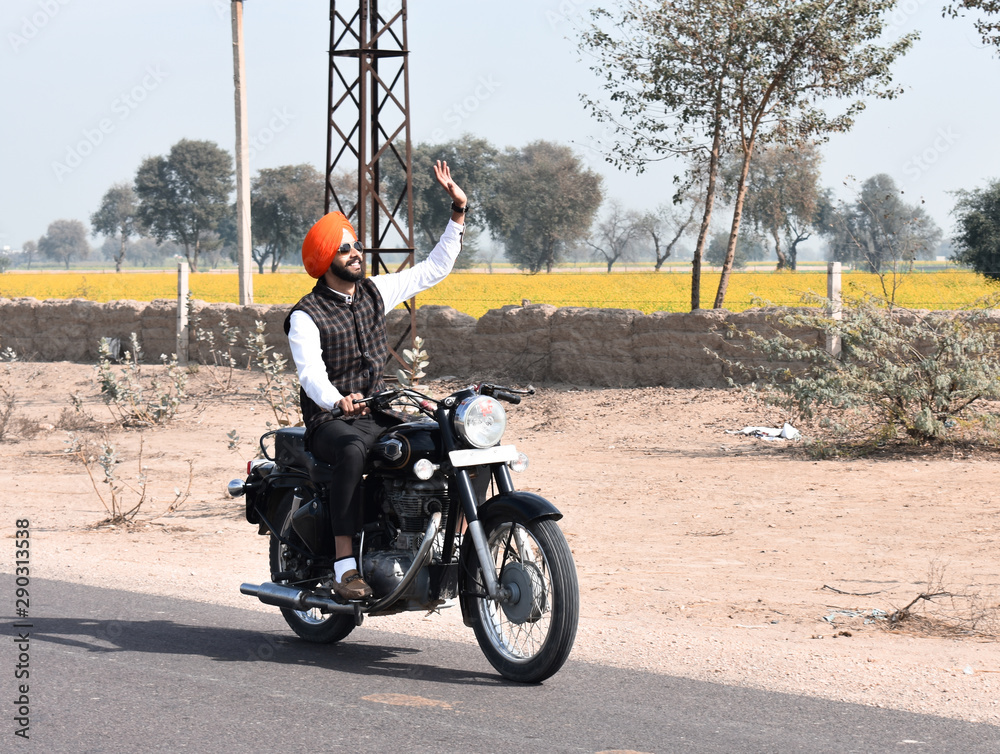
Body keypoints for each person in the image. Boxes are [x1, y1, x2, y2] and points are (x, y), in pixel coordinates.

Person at [284, 160, 467, 600]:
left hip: (378, 410)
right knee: (351, 452)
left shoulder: (373, 292)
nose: (356, 252)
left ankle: (455, 544)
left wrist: (458, 212)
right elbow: (311, 375)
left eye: (356, 245)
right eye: (345, 249)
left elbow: (433, 269)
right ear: (327, 260)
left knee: (450, 437)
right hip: (331, 422)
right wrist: (337, 400)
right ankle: (345, 567)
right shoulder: (305, 316)